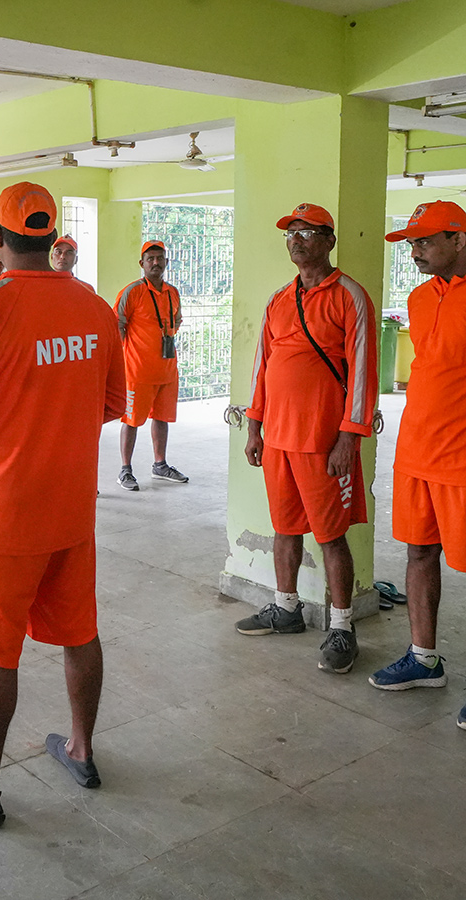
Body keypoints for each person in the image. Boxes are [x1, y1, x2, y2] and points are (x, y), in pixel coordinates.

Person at [0, 182, 124, 828]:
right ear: (50, 236)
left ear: (1, 240)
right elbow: (112, 406)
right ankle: (82, 750)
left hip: (2, 513)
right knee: (79, 631)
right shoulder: (94, 309)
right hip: (70, 507)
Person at [237, 204, 378, 674]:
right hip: (277, 438)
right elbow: (262, 366)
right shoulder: (279, 299)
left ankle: (341, 626)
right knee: (285, 527)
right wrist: (254, 425)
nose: (296, 240)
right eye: (291, 233)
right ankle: (286, 608)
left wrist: (349, 439)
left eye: (307, 232)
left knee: (331, 536)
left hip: (323, 443)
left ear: (329, 241)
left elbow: (362, 374)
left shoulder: (350, 296)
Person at [372, 201, 466, 728]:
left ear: (459, 238)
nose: (416, 251)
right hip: (417, 454)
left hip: (462, 460)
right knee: (418, 552)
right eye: (411, 243)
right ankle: (424, 659)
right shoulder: (419, 297)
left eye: (426, 240)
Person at [114, 241, 188, 490]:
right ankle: (125, 470)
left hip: (167, 369)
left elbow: (177, 322)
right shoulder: (132, 291)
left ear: (166, 262)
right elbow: (118, 323)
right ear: (142, 264)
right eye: (150, 259)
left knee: (162, 418)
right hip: (137, 371)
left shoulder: (172, 292)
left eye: (160, 258)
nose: (155, 263)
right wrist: (128, 352)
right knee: (132, 420)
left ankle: (160, 465)